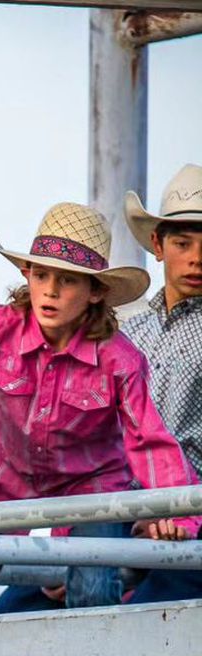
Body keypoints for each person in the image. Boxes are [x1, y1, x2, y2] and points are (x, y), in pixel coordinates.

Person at [0, 202, 197, 622]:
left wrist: (178, 513)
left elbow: (149, 438)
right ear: (26, 277)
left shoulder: (118, 358)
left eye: (67, 280)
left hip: (95, 488)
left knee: (91, 588)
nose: (50, 290)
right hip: (5, 477)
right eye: (42, 275)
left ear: (95, 292)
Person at [123, 165, 202, 604]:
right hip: (124, 517)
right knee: (17, 604)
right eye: (182, 242)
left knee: (147, 605)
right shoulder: (129, 334)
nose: (196, 257)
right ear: (158, 244)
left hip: (193, 523)